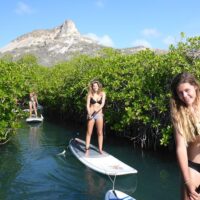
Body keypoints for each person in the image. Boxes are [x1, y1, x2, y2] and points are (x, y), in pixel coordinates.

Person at [170, 72, 200, 200]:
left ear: (195, 87)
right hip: (194, 167)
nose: (185, 96)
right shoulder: (179, 113)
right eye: (180, 93)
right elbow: (181, 148)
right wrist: (187, 182)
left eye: (187, 90)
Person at [85, 80, 106, 154]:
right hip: (91, 114)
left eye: (96, 86)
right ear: (92, 87)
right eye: (93, 86)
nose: (95, 87)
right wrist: (89, 113)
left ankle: (100, 149)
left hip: (99, 115)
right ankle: (87, 148)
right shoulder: (90, 94)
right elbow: (87, 105)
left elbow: (102, 104)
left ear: (98, 86)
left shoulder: (103, 93)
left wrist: (98, 109)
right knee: (89, 132)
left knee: (100, 133)